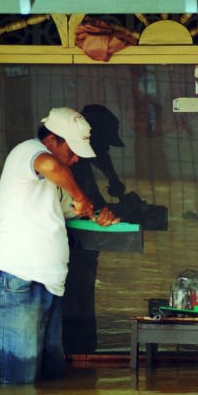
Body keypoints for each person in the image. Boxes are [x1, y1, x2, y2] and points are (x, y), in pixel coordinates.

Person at [0, 107, 118, 384]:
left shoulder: (58, 179)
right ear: (52, 140)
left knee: (51, 378)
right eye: (72, 150)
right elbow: (50, 165)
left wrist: (100, 214)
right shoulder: (27, 152)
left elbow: (73, 210)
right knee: (20, 382)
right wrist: (80, 195)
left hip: (49, 285)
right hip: (16, 282)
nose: (76, 158)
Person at [63, 104, 124, 354]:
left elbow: (101, 157)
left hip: (83, 251)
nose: (106, 149)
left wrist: (113, 179)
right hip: (69, 251)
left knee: (82, 303)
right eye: (104, 142)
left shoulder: (82, 162)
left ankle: (83, 356)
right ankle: (78, 354)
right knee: (73, 305)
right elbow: (89, 205)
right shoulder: (69, 164)